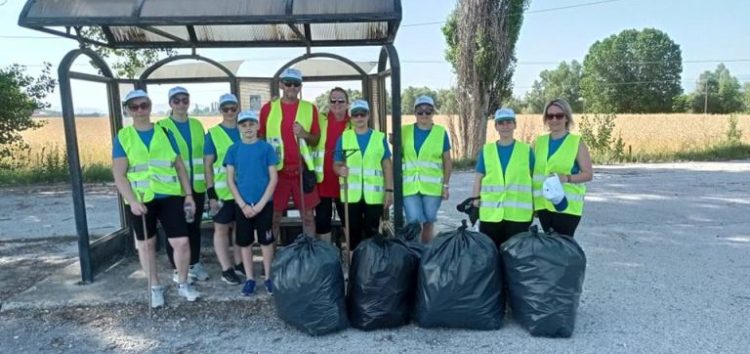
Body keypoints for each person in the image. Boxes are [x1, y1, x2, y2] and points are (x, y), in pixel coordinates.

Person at [112, 89, 200, 307]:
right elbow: (119, 175)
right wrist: (132, 201)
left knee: (181, 241)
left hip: (170, 195)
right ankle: (155, 286)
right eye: (134, 106)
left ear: (150, 106)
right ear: (128, 110)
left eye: (144, 105)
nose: (140, 110)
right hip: (141, 199)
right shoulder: (124, 136)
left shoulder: (164, 132)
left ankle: (183, 283)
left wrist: (188, 194)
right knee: (146, 244)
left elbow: (179, 165)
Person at [259, 68, 321, 241]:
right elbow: (261, 138)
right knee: (274, 218)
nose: (292, 87)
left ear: (300, 87)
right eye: (288, 83)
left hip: (302, 173)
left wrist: (305, 134)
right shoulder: (268, 109)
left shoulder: (310, 108)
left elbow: (315, 139)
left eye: (296, 84)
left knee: (308, 217)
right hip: (277, 174)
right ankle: (270, 262)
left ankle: (309, 256)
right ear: (281, 85)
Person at [156, 86, 209, 283]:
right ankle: (178, 268)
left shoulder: (196, 124)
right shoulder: (162, 126)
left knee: (194, 226)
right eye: (176, 100)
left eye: (184, 100)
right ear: (170, 103)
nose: (181, 104)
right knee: (176, 229)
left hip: (196, 186)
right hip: (174, 188)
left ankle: (194, 263)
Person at [225, 111, 278, 296]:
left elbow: (273, 178)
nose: (248, 128)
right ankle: (249, 278)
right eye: (243, 124)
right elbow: (230, 180)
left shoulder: (267, 149)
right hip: (243, 206)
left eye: (251, 124)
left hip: (263, 204)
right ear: (239, 127)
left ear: (257, 126)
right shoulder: (233, 149)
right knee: (245, 242)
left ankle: (268, 277)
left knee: (266, 241)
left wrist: (261, 204)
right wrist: (243, 205)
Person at [334, 100, 394, 252]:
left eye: (363, 114)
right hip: (351, 195)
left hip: (374, 196)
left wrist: (389, 191)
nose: (359, 118)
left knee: (372, 233)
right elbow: (336, 163)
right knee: (353, 233)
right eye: (355, 115)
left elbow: (387, 165)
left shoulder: (379, 138)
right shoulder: (344, 137)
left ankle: (370, 266)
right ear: (351, 117)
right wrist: (340, 170)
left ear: (368, 116)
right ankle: (355, 267)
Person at [471, 108, 534, 249]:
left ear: (514, 125)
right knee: (491, 255)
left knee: (515, 257)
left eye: (508, 122)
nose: (505, 126)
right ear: (496, 127)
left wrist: (536, 205)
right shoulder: (486, 151)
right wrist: (474, 200)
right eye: (501, 123)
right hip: (491, 215)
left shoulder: (526, 150)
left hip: (518, 215)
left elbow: (534, 179)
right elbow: (478, 178)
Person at [532, 98, 593, 237]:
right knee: (551, 250)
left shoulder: (576, 142)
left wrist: (566, 178)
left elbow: (588, 174)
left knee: (562, 250)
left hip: (566, 206)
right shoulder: (539, 142)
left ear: (566, 118)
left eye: (559, 115)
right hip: (543, 205)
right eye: (550, 116)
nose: (554, 119)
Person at [204, 93, 245, 285]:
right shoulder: (212, 134)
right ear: (220, 110)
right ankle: (226, 268)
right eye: (225, 109)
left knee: (240, 228)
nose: (230, 112)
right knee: (221, 229)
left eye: (233, 108)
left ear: (238, 108)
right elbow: (208, 165)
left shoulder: (245, 129)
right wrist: (211, 193)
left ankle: (239, 263)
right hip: (221, 191)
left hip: (243, 191)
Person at [401, 95, 452, 243]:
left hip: (432, 188)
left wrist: (446, 185)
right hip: (409, 186)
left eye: (428, 112)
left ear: (433, 113)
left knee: (429, 221)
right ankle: (413, 255)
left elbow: (447, 161)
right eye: (420, 111)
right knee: (414, 222)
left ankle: (427, 254)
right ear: (415, 113)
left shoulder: (440, 133)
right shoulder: (404, 131)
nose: (424, 115)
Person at [313, 88, 351, 243]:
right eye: (333, 101)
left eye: (341, 101)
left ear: (347, 103)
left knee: (348, 219)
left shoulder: (353, 122)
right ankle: (327, 256)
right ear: (328, 103)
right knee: (322, 220)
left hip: (345, 180)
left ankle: (351, 254)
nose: (337, 104)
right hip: (323, 179)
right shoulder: (321, 119)